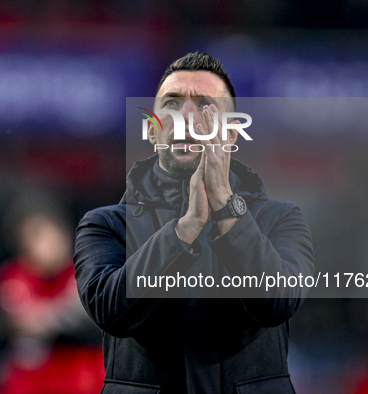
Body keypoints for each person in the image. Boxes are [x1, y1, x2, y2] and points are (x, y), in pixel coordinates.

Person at [74, 51, 314, 393]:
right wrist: (183, 230)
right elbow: (110, 310)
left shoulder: (281, 219)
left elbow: (276, 303)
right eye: (171, 105)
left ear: (231, 134)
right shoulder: (105, 225)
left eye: (205, 106)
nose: (186, 116)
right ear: (152, 130)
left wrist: (225, 206)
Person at [0, 196, 104, 394]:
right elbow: (28, 323)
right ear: (22, 245)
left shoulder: (86, 272)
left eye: (53, 233)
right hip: (33, 383)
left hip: (84, 381)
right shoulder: (14, 276)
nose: (49, 243)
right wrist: (66, 312)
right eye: (37, 237)